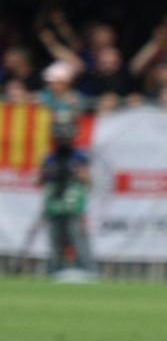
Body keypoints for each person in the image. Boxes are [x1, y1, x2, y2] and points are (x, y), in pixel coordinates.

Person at [38, 116, 95, 276]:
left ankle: (88, 270)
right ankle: (55, 271)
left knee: (77, 237)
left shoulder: (79, 156)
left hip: (73, 204)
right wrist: (50, 173)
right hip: (55, 204)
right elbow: (41, 180)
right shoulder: (50, 157)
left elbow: (89, 182)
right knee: (55, 240)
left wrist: (77, 174)